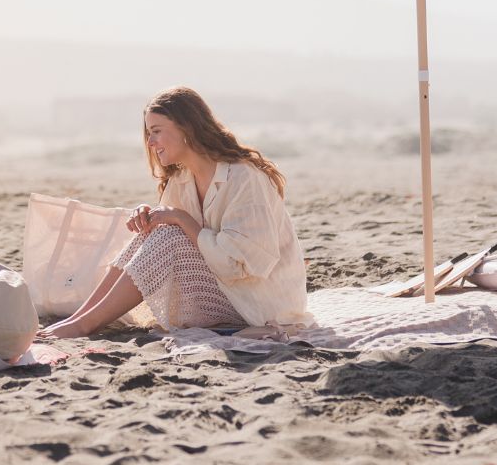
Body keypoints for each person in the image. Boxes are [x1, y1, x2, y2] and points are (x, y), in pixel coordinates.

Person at [44, 87, 307, 337]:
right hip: (224, 290)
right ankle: (78, 319)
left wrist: (180, 218)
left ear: (186, 128)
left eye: (156, 131)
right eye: (148, 133)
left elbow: (237, 266)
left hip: (259, 302)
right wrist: (152, 216)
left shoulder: (243, 178)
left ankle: (84, 325)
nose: (150, 142)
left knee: (169, 235)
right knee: (154, 233)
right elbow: (169, 232)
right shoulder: (182, 179)